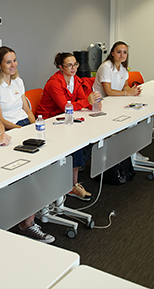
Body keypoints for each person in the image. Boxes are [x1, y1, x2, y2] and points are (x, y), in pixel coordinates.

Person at [0, 46, 54, 244]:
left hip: (24, 126)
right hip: (9, 130)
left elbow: (26, 108)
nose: (13, 65)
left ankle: (36, 208)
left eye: (14, 60)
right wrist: (21, 130)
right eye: (8, 61)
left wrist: (36, 125)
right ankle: (27, 223)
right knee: (29, 170)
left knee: (48, 159)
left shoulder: (18, 81)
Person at [37, 52, 102, 201]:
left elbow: (80, 99)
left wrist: (92, 103)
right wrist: (87, 102)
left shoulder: (75, 80)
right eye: (69, 65)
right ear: (61, 67)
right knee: (76, 141)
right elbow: (65, 106)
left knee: (82, 139)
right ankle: (71, 183)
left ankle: (73, 183)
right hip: (49, 121)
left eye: (76, 64)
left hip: (65, 119)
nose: (74, 68)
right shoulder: (54, 83)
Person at [93, 41, 148, 162]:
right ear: (112, 53)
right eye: (119, 52)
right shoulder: (106, 67)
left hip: (115, 101)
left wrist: (133, 90)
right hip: (103, 103)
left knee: (134, 119)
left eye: (125, 52)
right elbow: (108, 91)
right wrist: (128, 93)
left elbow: (125, 87)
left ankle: (132, 151)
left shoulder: (123, 68)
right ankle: (122, 152)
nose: (122, 55)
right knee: (126, 122)